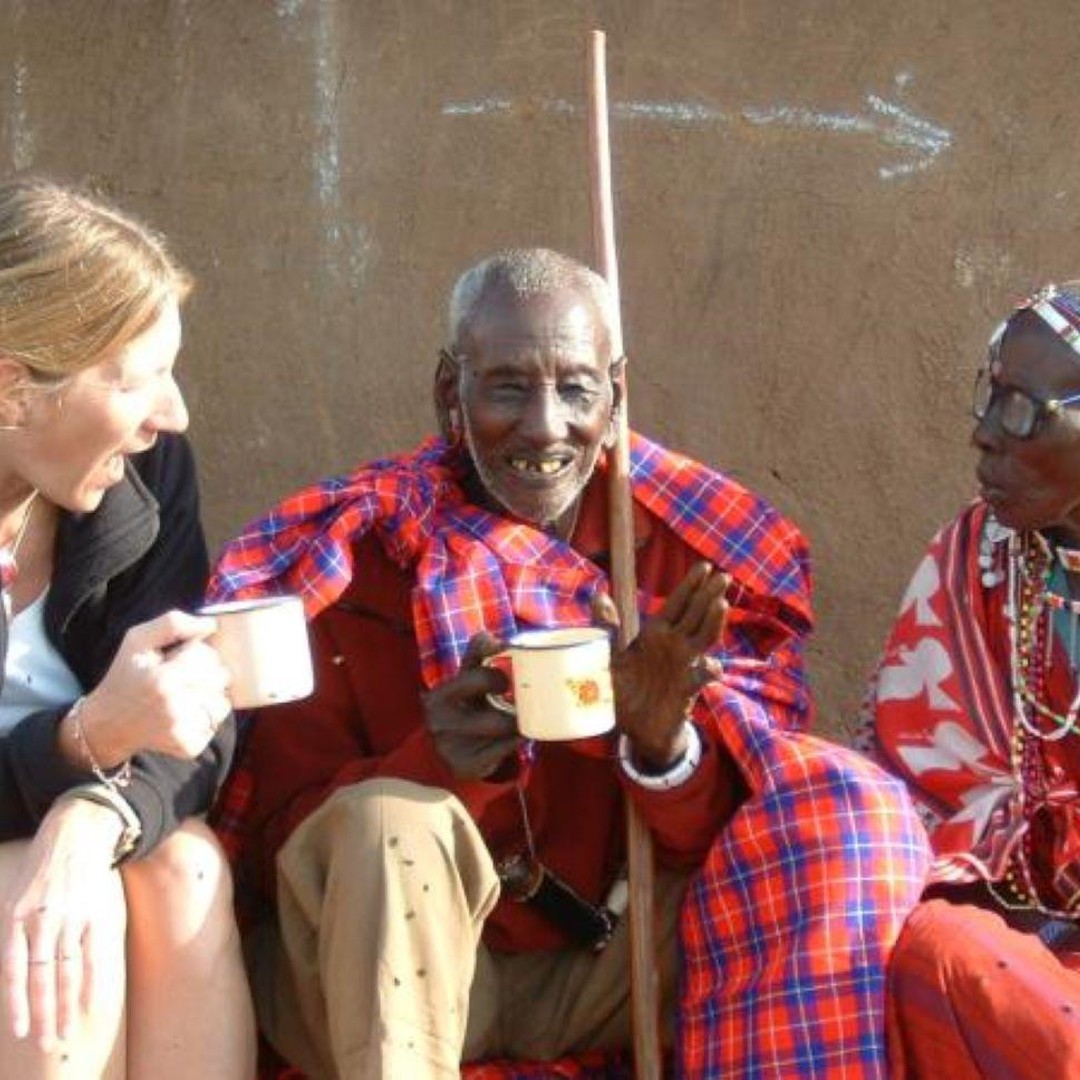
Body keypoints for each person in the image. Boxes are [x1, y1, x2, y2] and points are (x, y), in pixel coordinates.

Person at [210, 247, 929, 1079]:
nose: (546, 427)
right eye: (508, 387)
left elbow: (736, 833)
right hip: (396, 986)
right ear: (450, 392)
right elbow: (276, 847)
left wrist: (663, 748)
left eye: (577, 390)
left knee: (834, 815)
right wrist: (433, 765)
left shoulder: (680, 557)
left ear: (616, 395)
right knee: (388, 823)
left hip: (612, 968)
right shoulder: (360, 553)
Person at [0, 176, 255, 1079]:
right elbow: (107, 730)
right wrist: (81, 742)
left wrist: (94, 810)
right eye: (137, 378)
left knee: (184, 872)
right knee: (56, 915)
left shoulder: (146, 474)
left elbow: (198, 717)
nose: (172, 413)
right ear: (11, 389)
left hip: (65, 817)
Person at [860, 283, 1080, 1078]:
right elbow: (911, 789)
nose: (984, 433)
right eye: (991, 396)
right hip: (1025, 950)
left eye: (1023, 411)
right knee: (938, 951)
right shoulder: (978, 558)